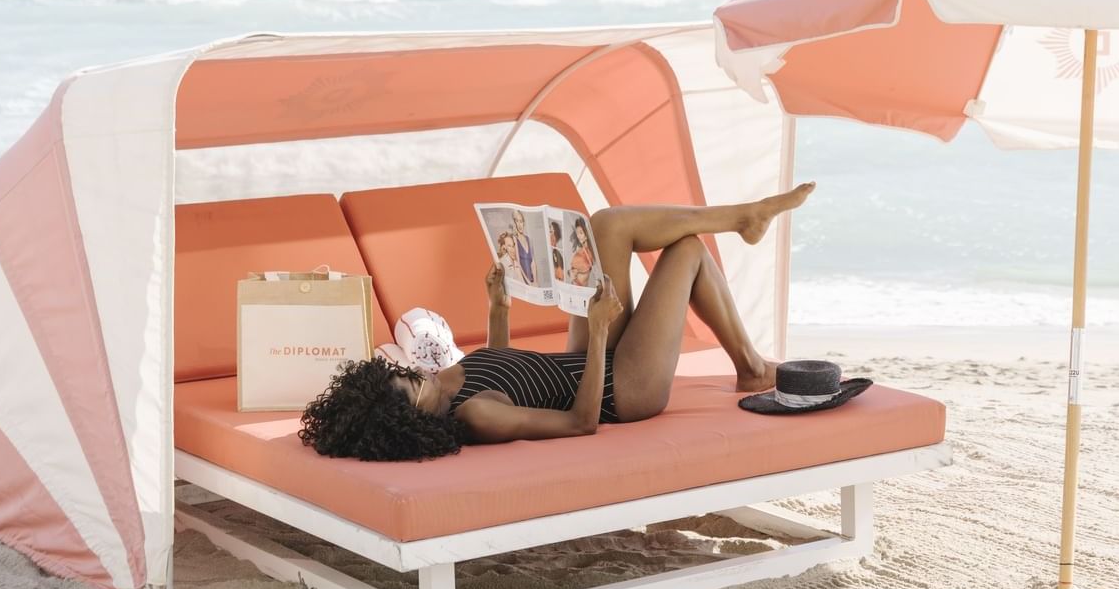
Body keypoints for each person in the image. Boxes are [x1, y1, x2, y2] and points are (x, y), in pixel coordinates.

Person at [300, 183, 814, 460]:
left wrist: (498, 311)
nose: (425, 376)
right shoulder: (476, 418)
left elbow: (503, 371)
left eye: (412, 373)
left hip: (585, 360)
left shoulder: (447, 385)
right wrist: (594, 332)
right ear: (414, 420)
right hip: (621, 391)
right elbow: (580, 423)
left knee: (607, 225)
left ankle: (745, 216)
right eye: (418, 387)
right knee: (686, 254)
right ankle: (749, 365)